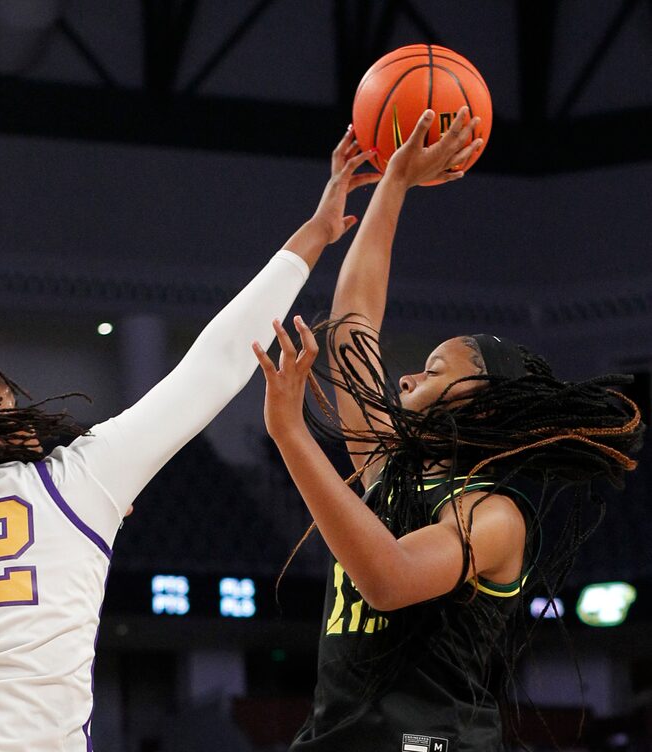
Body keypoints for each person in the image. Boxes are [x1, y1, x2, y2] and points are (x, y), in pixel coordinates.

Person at [0, 141, 380, 752]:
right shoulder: (72, 480)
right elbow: (215, 363)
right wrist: (315, 234)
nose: (27, 420)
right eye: (8, 405)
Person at [253, 108, 644, 751]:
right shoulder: (389, 471)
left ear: (482, 408)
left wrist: (291, 434)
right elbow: (354, 323)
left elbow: (389, 580)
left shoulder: (493, 517)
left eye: (434, 370)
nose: (405, 379)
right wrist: (394, 183)